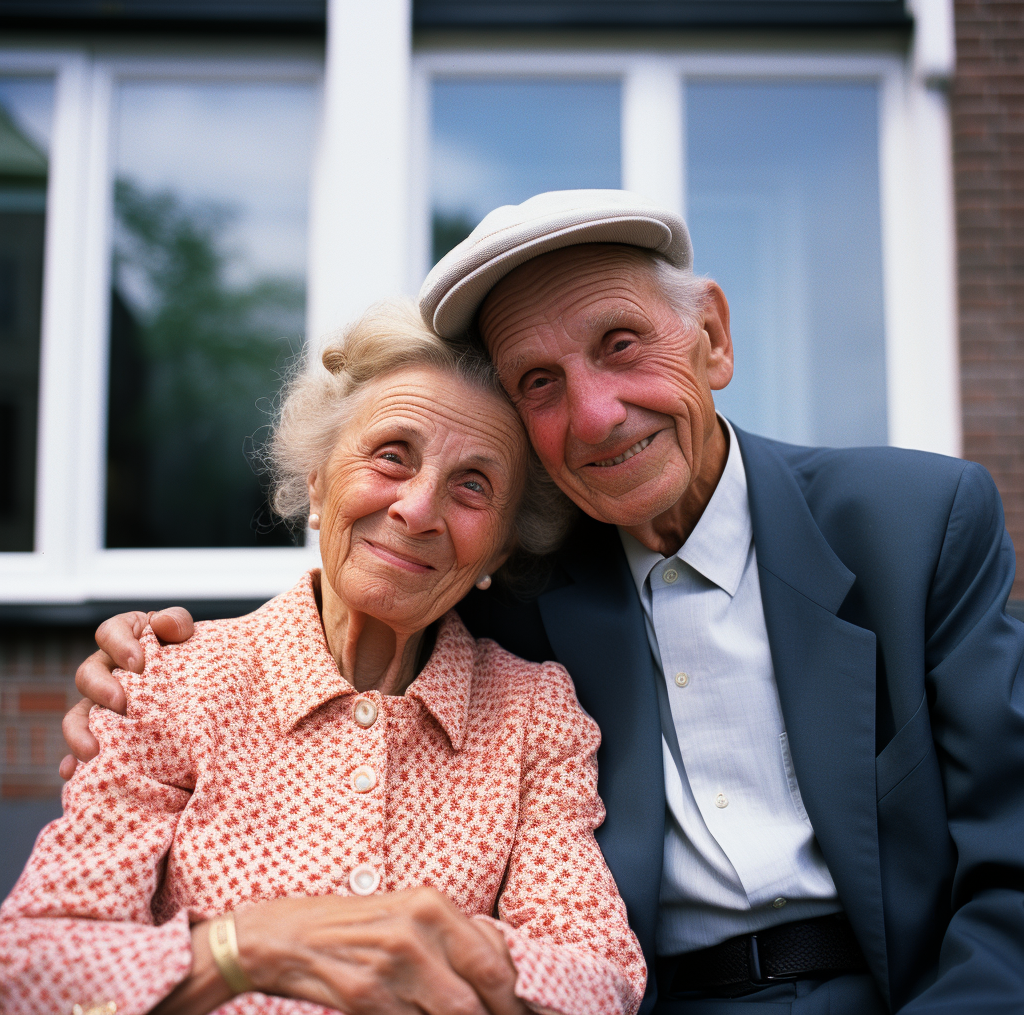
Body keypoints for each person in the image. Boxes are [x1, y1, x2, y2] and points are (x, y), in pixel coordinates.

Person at [62, 191, 1024, 1014]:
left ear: (714, 340)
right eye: (540, 383)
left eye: (622, 345)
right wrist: (147, 674)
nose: (598, 414)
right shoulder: (509, 597)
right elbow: (365, 575)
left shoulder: (917, 526)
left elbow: (1010, 865)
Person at [2, 300, 646, 1015]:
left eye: (473, 485)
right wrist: (248, 947)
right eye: (392, 456)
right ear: (317, 480)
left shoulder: (533, 714)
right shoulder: (172, 681)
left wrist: (444, 948)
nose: (419, 509)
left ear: (499, 546)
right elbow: (31, 967)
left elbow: (600, 981)